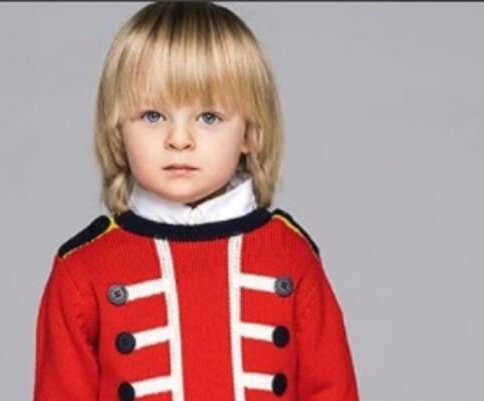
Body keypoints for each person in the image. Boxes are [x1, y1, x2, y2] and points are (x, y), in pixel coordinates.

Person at [32, 2, 360, 401]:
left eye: (208, 117)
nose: (179, 140)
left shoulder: (291, 255)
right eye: (153, 115)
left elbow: (334, 391)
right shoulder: (83, 268)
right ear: (117, 130)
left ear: (250, 134)